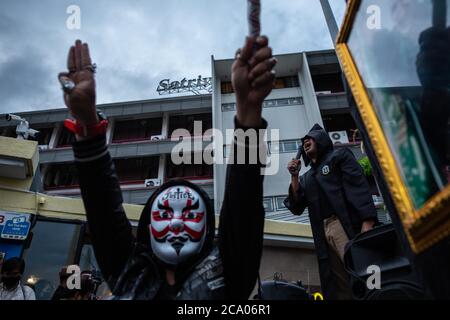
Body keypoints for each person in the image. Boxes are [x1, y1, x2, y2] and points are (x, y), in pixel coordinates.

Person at [56, 35, 276, 299]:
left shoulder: (226, 273)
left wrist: (249, 111)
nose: (175, 224)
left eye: (191, 215)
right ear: (147, 227)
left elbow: (244, 204)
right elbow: (102, 207)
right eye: (162, 215)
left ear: (208, 230)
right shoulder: (128, 271)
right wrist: (87, 124)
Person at [284, 124, 378, 300]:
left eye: (310, 138)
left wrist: (368, 221)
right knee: (338, 284)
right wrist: (294, 176)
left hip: (344, 224)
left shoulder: (339, 156)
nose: (306, 141)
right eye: (303, 141)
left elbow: (358, 186)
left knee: (362, 272)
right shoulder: (307, 177)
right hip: (322, 232)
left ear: (321, 139)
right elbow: (296, 206)